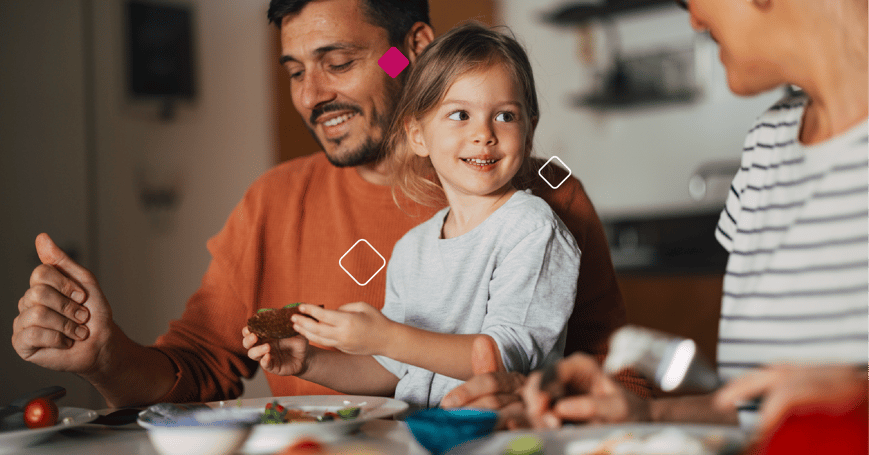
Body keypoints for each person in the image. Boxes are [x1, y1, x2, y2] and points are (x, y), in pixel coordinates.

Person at [11, 0, 647, 408]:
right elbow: (196, 368)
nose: (312, 95)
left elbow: (621, 374)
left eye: (338, 62)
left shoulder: (546, 196)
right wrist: (105, 357)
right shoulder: (273, 203)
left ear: (411, 50)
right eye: (295, 72)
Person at [447, 0, 868, 437]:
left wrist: (858, 400)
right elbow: (752, 409)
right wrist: (644, 415)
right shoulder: (769, 142)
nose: (695, 20)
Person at [242, 22, 580, 409]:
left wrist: (387, 337)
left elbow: (506, 356)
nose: (484, 133)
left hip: (502, 432)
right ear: (417, 135)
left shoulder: (532, 228)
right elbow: (395, 369)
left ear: (529, 131)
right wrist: (311, 362)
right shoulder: (411, 247)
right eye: (460, 114)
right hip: (417, 434)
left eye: (505, 116)